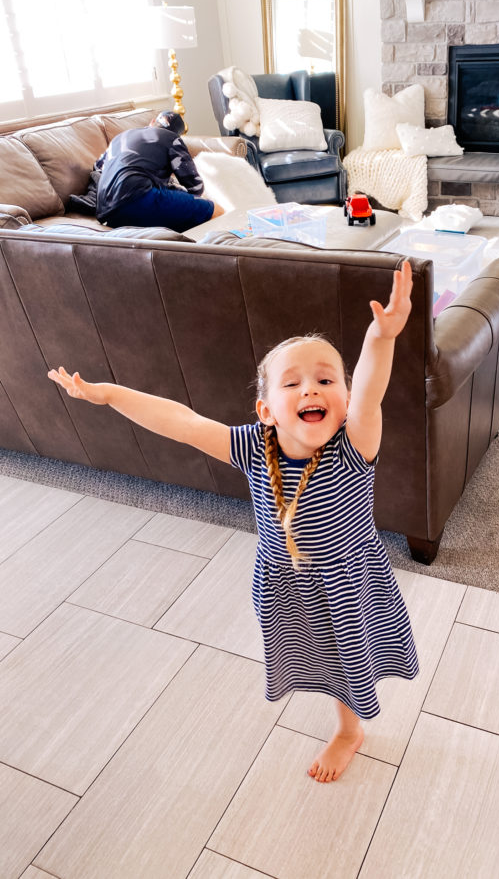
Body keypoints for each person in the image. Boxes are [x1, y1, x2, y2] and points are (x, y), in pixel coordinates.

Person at [47, 261, 419, 783]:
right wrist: (109, 394)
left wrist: (381, 336)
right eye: (294, 383)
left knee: (347, 661)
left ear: (345, 398)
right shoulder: (250, 444)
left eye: (326, 379)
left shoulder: (354, 445)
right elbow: (181, 421)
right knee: (313, 655)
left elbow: (373, 388)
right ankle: (342, 714)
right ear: (266, 410)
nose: (311, 389)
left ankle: (349, 727)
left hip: (348, 581)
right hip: (284, 582)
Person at [94, 110, 224, 232]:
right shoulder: (171, 138)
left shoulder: (121, 136)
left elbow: (98, 167)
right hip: (137, 199)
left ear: (152, 122)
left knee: (181, 211)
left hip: (105, 212)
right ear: (178, 134)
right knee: (215, 210)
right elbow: (195, 187)